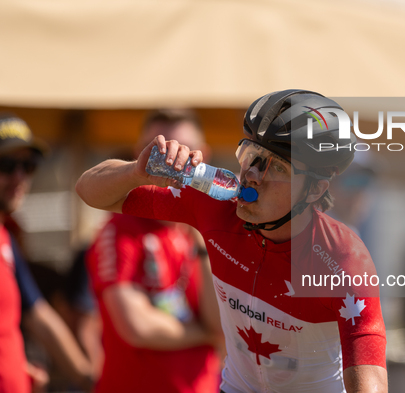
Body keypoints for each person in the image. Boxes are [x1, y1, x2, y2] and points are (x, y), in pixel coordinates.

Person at [76, 90, 388, 393]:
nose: (252, 174)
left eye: (277, 167)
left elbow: (369, 370)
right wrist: (136, 171)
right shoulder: (214, 205)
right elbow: (89, 191)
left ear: (314, 190)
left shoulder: (342, 258)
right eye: (251, 155)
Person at [84, 109, 222, 393]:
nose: (174, 161)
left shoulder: (208, 231)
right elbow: (137, 327)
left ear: (203, 156)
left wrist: (200, 238)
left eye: (186, 151)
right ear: (141, 153)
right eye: (163, 151)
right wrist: (205, 334)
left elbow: (220, 326)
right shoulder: (121, 227)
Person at [0, 113, 94, 393]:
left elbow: (38, 314)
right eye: (6, 164)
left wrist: (89, 379)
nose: (20, 177)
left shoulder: (5, 237)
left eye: (28, 166)